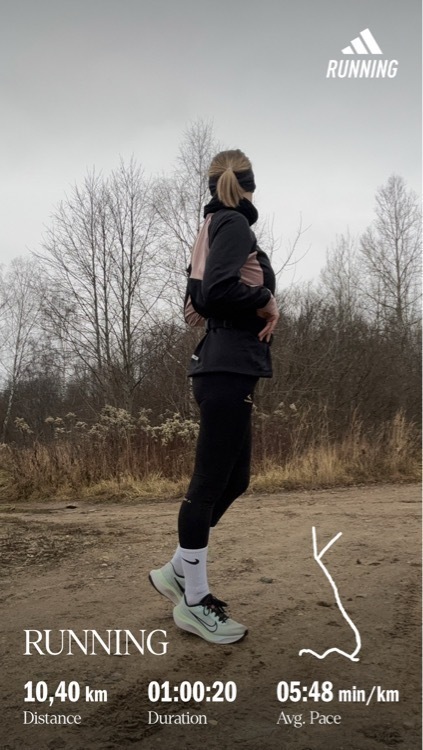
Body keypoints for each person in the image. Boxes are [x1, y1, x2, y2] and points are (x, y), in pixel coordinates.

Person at [149, 149, 279, 644]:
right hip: (226, 367)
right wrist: (264, 299)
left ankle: (178, 570)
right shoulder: (234, 224)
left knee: (235, 479)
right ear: (251, 185)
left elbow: (194, 305)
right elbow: (215, 293)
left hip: (225, 367)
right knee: (206, 485)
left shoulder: (210, 228)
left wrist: (237, 298)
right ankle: (195, 601)